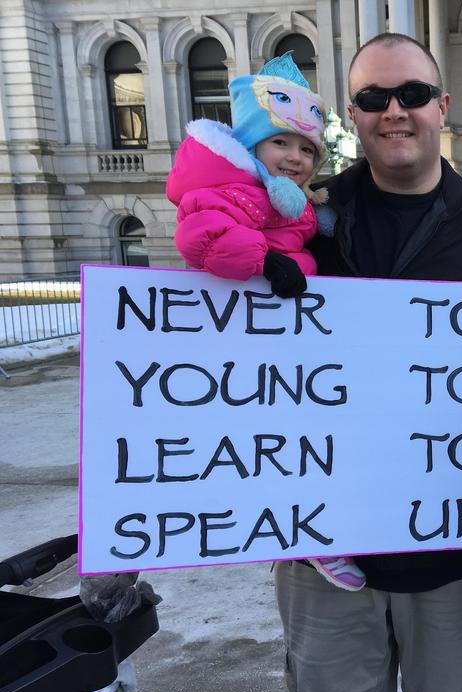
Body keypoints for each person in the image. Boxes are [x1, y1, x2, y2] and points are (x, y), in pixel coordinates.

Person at [272, 33, 462, 692]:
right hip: (322, 547)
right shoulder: (296, 223)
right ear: (351, 116)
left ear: (442, 107)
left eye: (412, 94)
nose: (395, 111)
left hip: (449, 554)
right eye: (372, 98)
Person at [165, 52, 366, 592]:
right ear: (251, 145)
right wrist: (267, 262)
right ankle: (305, 537)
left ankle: (317, 528)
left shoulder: (282, 202)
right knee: (278, 446)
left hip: (280, 340)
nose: (296, 158)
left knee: (303, 443)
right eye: (281, 143)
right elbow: (201, 238)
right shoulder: (230, 190)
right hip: (244, 342)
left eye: (307, 149)